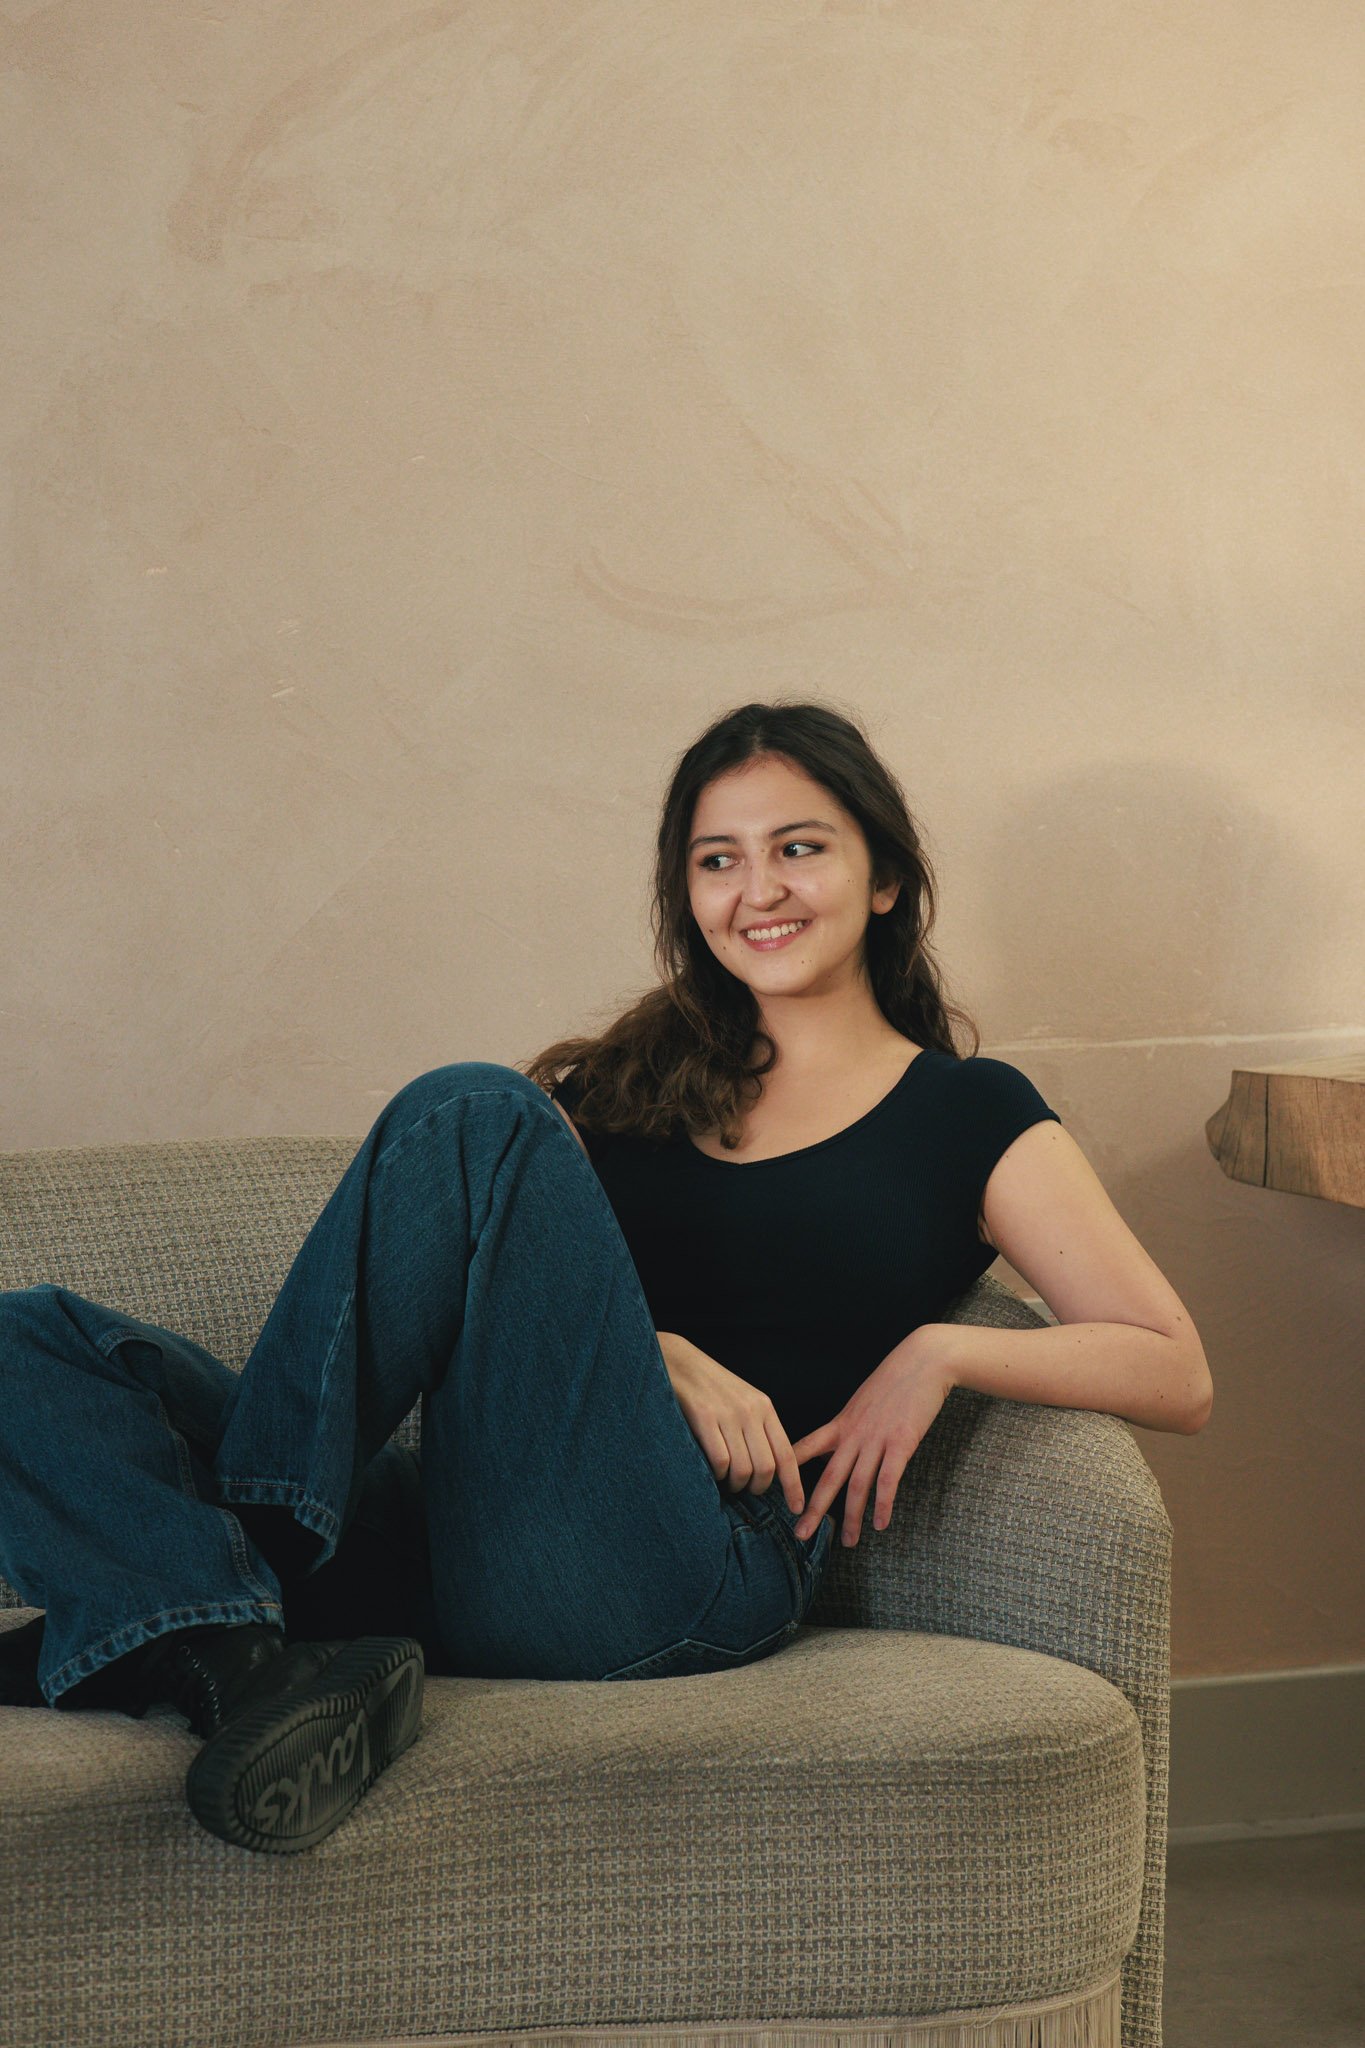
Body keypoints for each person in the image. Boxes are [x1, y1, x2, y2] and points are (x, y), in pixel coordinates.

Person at [0, 698, 1213, 1856]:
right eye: (718, 859)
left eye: (800, 847)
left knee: (471, 1108)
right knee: (27, 1336)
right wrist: (663, 1352)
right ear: (689, 894)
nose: (760, 889)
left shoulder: (965, 1111)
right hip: (466, 1537)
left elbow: (1175, 1363)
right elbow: (527, 1293)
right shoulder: (635, 1079)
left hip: (686, 1561)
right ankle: (238, 1652)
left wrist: (940, 1350)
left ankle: (213, 1578)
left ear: (884, 877)